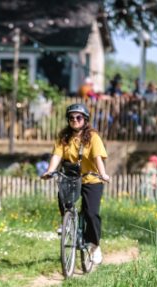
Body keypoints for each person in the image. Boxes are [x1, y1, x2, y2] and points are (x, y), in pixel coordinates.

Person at [42, 104, 110, 265]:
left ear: (85, 120)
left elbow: (97, 157)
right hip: (72, 177)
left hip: (91, 179)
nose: (75, 120)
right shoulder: (63, 137)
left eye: (78, 117)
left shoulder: (93, 137)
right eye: (71, 118)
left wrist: (103, 174)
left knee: (91, 213)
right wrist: (50, 171)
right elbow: (57, 155)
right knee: (63, 195)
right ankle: (66, 222)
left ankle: (94, 245)